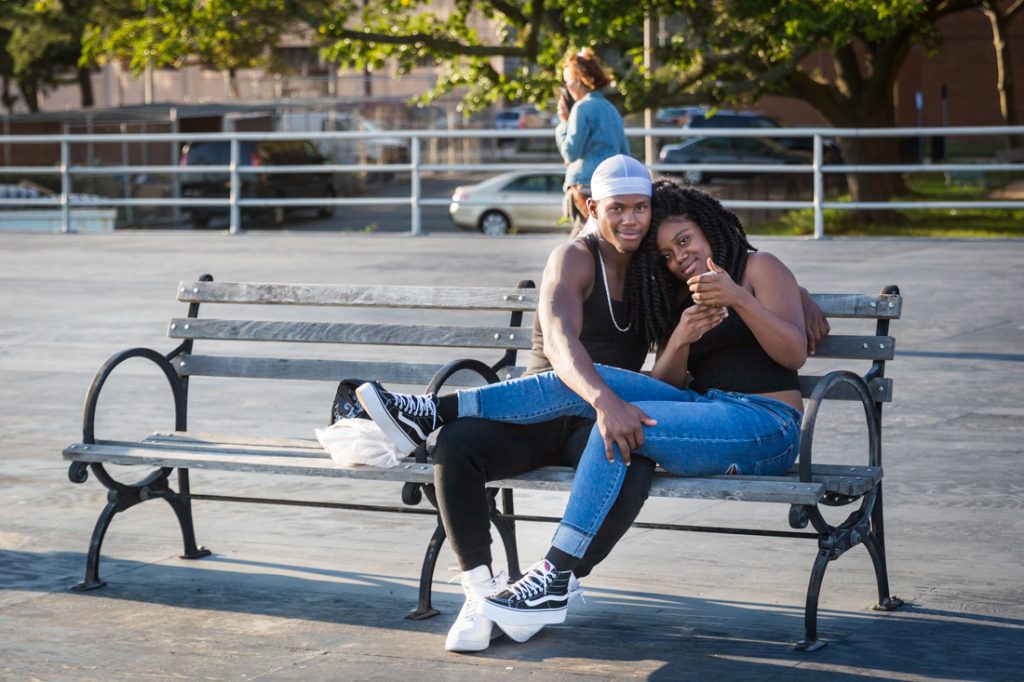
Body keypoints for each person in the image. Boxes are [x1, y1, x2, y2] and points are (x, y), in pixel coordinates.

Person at [358, 177, 822, 634]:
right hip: (705, 409)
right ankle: (431, 413)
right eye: (667, 253)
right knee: (586, 382)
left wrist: (742, 298)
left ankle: (554, 574)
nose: (680, 256)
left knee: (614, 425)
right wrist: (681, 337)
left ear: (706, 227)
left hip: (766, 424)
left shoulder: (760, 267)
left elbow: (793, 353)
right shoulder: (680, 291)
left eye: (685, 240)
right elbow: (665, 384)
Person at [556, 48, 631, 236]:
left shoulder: (581, 108)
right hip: (611, 184)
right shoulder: (611, 109)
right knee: (603, 236)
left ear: (578, 80)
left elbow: (570, 153)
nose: (567, 88)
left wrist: (564, 123)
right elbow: (625, 153)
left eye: (567, 82)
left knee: (582, 236)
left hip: (584, 184)